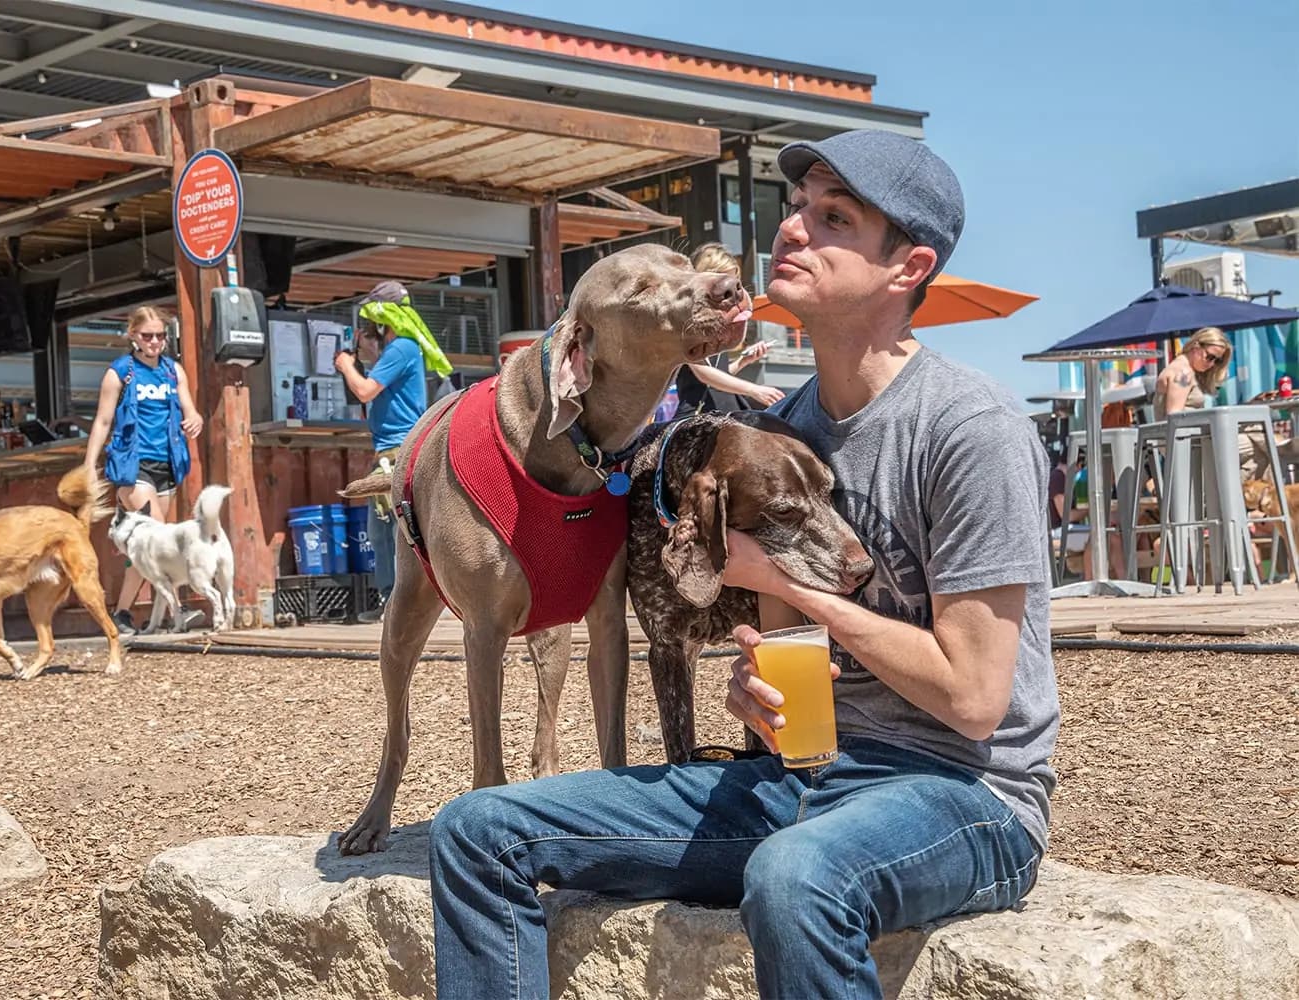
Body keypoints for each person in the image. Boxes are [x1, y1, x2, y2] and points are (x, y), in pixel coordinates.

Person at [428, 130, 1057, 1000]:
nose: (793, 230)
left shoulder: (968, 429)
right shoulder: (783, 429)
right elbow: (790, 658)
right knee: (476, 829)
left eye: (833, 218)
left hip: (963, 798)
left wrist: (789, 586)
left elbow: (975, 697)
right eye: (798, 207)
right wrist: (756, 690)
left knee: (799, 878)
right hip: (802, 777)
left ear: (906, 268)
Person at [82, 306, 202, 636]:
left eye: (160, 336)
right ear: (133, 336)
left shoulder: (172, 371)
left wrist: (195, 419)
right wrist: (89, 465)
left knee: (145, 548)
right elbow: (103, 421)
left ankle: (121, 613)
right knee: (161, 537)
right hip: (133, 466)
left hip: (167, 463)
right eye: (147, 336)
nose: (154, 342)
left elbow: (191, 409)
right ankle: (180, 610)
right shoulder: (120, 372)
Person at [334, 281, 448, 624]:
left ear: (384, 322)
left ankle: (399, 601)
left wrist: (346, 365)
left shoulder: (401, 349)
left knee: (390, 525)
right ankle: (393, 600)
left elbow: (365, 391)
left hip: (400, 449)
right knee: (386, 526)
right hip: (393, 448)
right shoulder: (401, 351)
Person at [674, 243, 785, 416]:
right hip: (698, 414)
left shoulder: (721, 319)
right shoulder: (687, 321)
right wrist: (753, 389)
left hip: (724, 409)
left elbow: (719, 375)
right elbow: (703, 374)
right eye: (724, 279)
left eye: (733, 280)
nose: (730, 288)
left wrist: (743, 362)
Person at [1153, 326, 1230, 419]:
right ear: (1196, 346)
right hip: (1183, 432)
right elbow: (1174, 418)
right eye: (1210, 357)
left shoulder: (1185, 369)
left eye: (1217, 361)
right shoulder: (1183, 373)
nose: (1212, 364)